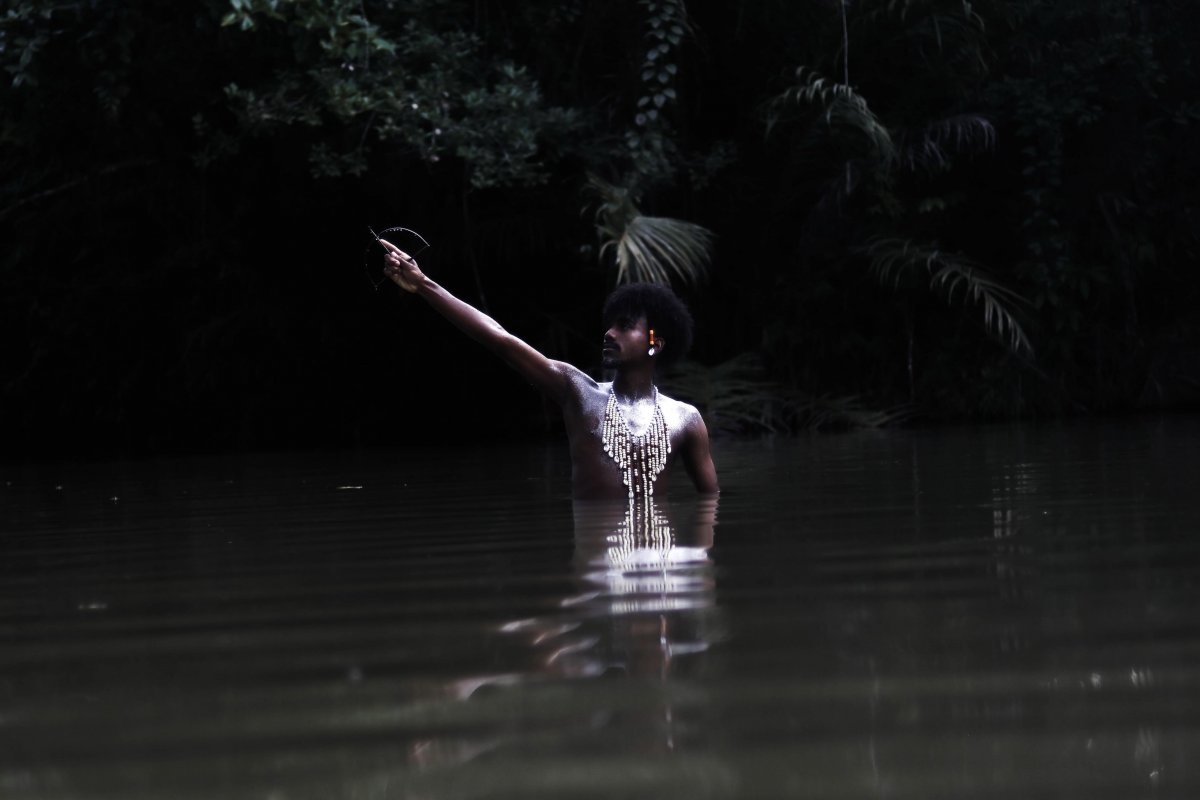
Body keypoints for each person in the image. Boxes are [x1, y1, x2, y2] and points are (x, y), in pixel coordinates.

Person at [379, 239, 719, 500]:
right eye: (609, 325)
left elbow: (710, 507)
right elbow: (502, 341)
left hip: (661, 582)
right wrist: (424, 284)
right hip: (596, 585)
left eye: (625, 326)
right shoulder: (578, 392)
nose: (609, 333)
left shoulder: (685, 421)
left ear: (654, 344)